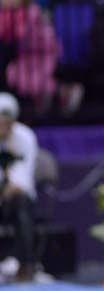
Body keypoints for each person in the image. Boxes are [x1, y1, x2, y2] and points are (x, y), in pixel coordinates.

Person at [0, 92, 37, 281]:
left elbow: (23, 179)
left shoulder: (25, 137)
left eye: (7, 121)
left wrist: (9, 187)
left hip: (15, 198)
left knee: (22, 203)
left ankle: (26, 266)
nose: (3, 125)